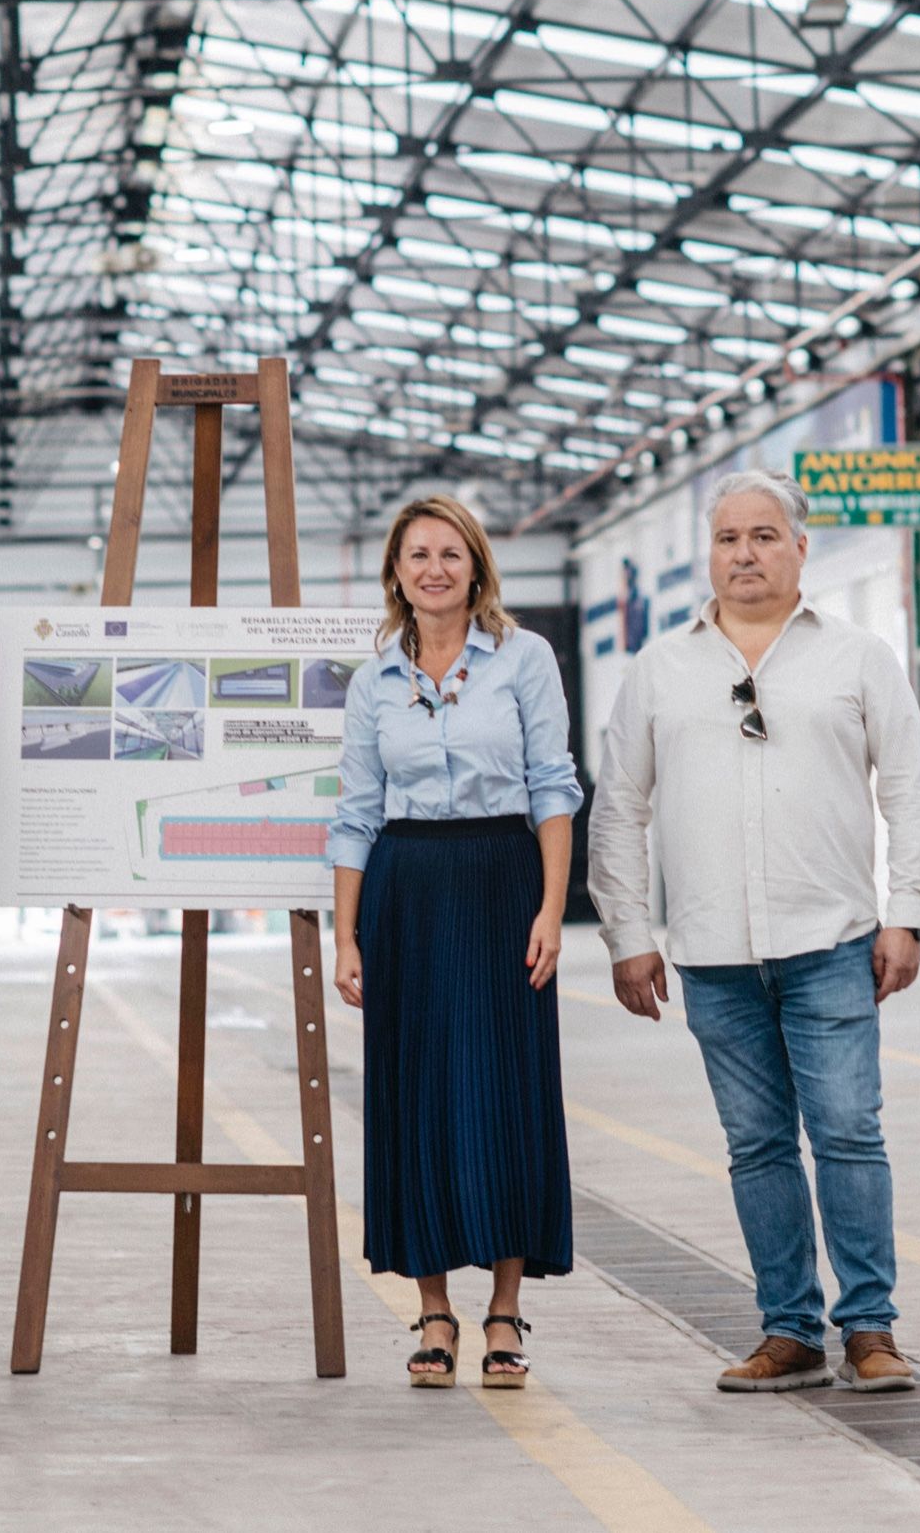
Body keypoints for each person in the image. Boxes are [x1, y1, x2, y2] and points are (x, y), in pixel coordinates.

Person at [588, 469, 920, 1396]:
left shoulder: (858, 657)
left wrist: (908, 911)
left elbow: (911, 787)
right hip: (711, 955)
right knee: (756, 1146)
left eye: (762, 536)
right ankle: (788, 1330)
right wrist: (629, 929)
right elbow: (618, 806)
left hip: (831, 941)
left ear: (798, 549)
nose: (743, 554)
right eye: (727, 539)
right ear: (708, 555)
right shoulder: (661, 668)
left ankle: (870, 1328)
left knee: (848, 1137)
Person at [330, 495, 582, 1391]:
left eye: (450, 552)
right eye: (416, 554)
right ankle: (433, 1308)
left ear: (476, 565)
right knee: (416, 1093)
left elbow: (553, 785)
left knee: (508, 1089)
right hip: (406, 890)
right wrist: (346, 933)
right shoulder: (374, 681)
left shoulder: (524, 659)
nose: (433, 568)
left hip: (500, 880)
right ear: (395, 572)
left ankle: (506, 1308)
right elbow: (357, 811)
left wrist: (552, 908)